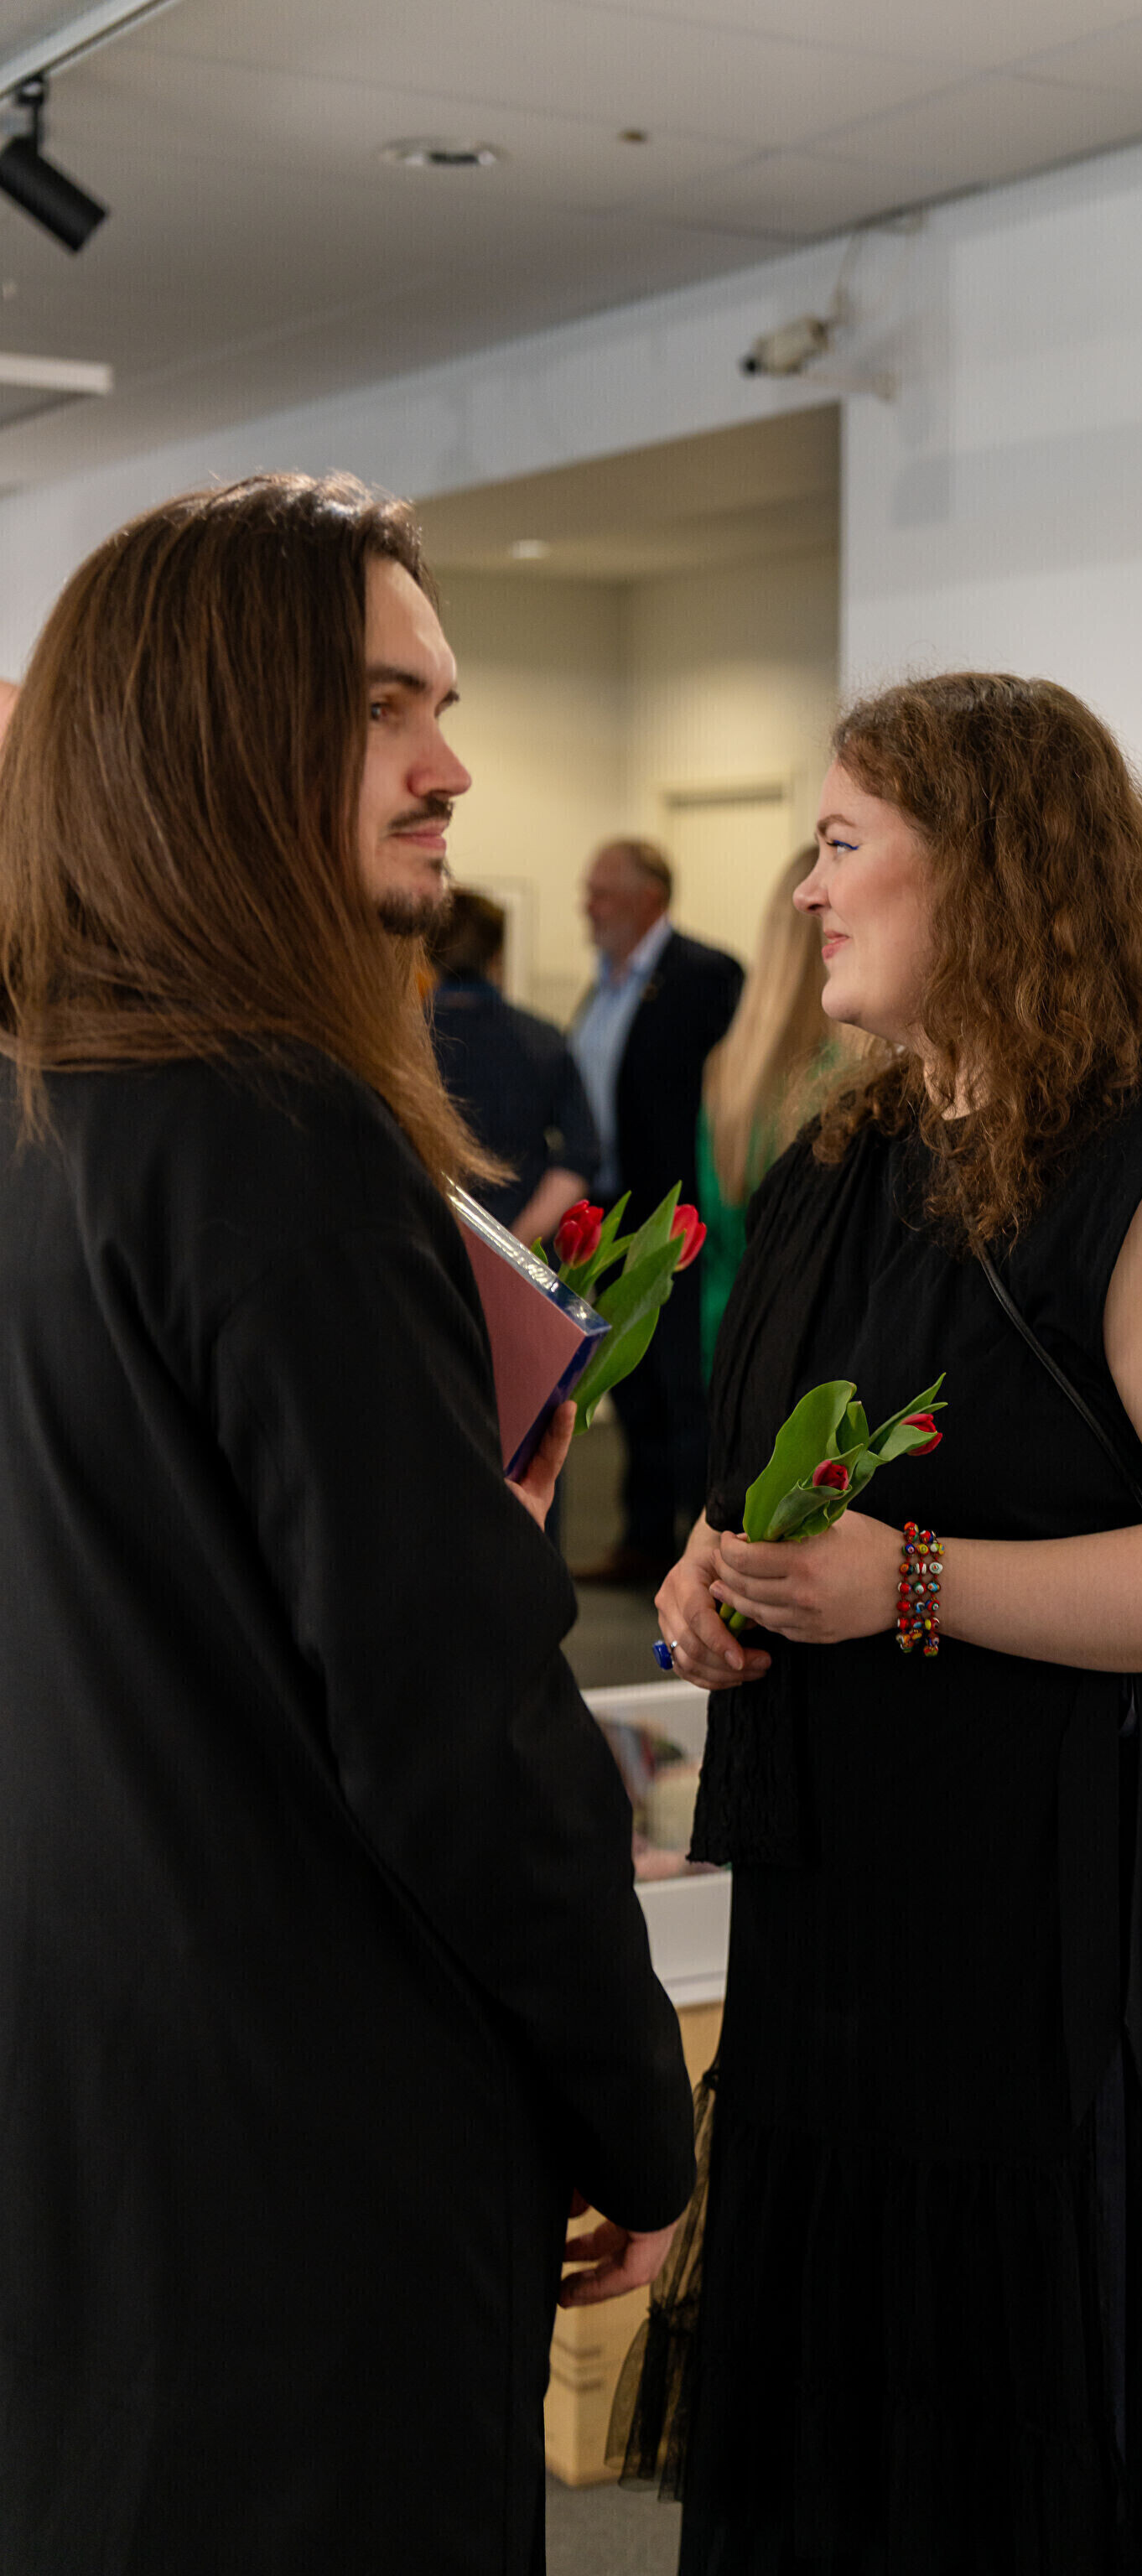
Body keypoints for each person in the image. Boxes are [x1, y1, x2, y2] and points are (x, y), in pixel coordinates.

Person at [0, 474, 694, 2575]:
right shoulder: (283, 1136)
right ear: (219, 731)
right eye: (388, 705)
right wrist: (634, 2109)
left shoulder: (59, 1105)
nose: (450, 762)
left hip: (97, 2087)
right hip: (307, 2138)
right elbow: (455, 1723)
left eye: (442, 703)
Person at [631, 673, 1142, 2573]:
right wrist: (712, 1574)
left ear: (990, 875)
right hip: (841, 1907)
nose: (803, 890)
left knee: (1014, 2414)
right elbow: (763, 1474)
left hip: (1050, 1936)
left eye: (841, 844)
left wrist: (911, 1581)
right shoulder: (838, 1161)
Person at [570, 838, 741, 1586]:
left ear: (650, 899)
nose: (587, 906)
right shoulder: (602, 986)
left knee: (683, 1385)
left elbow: (726, 1100)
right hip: (611, 1217)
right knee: (628, 1383)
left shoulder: (705, 977)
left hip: (678, 1222)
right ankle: (642, 1541)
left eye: (602, 892)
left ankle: (700, 1555)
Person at [694, 842, 846, 1374]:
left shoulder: (729, 1066)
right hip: (816, 1358)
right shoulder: (850, 1080)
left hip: (728, 1333)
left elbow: (716, 1233)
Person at [427, 885, 599, 1244]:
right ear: (498, 956)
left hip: (426, 1246)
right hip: (522, 1240)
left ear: (427, 953)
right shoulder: (542, 1039)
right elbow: (581, 1153)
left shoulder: (400, 1043)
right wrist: (517, 1244)